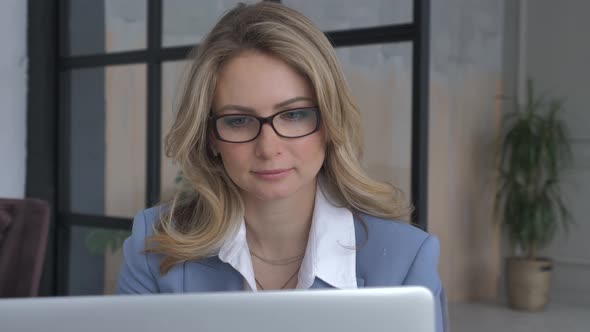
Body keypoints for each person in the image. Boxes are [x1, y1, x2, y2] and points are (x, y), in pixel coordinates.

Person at [116, 2, 445, 331]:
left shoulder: (406, 259)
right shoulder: (154, 246)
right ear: (210, 137)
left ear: (329, 122)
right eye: (239, 120)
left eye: (294, 114)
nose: (268, 149)